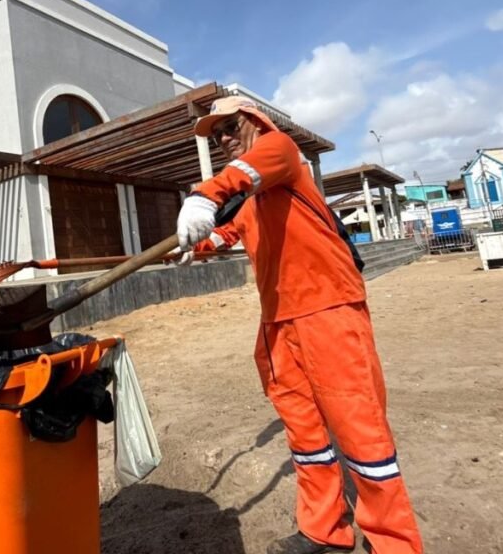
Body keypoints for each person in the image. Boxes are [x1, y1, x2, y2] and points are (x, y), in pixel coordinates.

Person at [175, 96, 424, 554]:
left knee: (360, 431)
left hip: (328, 311)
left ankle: (395, 545)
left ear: (255, 121)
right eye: (216, 136)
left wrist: (202, 196)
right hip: (277, 323)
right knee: (306, 435)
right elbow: (228, 231)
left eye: (231, 127)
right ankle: (325, 531)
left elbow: (240, 176)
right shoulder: (253, 201)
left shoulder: (280, 150)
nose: (224, 140)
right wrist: (198, 242)